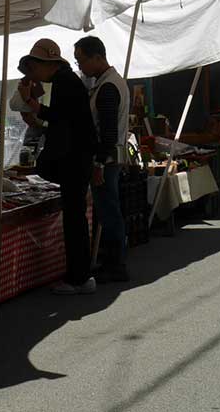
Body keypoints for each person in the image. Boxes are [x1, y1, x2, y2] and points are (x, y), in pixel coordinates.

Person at [18, 38, 99, 294]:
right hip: (78, 157)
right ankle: (81, 275)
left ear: (46, 64)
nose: (34, 75)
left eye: (34, 69)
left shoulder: (65, 81)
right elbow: (63, 119)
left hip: (74, 159)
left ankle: (78, 278)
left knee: (74, 221)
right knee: (75, 219)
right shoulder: (68, 81)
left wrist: (32, 105)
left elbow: (60, 118)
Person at [74, 35, 129, 283]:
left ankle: (115, 265)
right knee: (109, 210)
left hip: (106, 160)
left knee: (109, 212)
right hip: (109, 158)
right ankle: (113, 262)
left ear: (97, 57)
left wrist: (98, 164)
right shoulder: (110, 83)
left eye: (82, 61)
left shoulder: (108, 87)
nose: (80, 67)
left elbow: (107, 133)